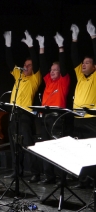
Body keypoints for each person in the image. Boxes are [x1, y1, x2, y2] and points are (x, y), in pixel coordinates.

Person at [3, 30, 42, 181]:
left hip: (25, 115)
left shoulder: (35, 78)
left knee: (27, 145)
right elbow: (9, 62)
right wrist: (7, 45)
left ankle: (35, 173)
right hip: (13, 115)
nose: (26, 67)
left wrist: (31, 46)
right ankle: (16, 171)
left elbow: (37, 63)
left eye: (29, 65)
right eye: (25, 65)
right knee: (14, 146)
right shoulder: (19, 75)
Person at [35, 33, 70, 184]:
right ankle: (49, 176)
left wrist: (61, 47)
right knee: (46, 148)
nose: (52, 71)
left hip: (57, 118)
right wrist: (41, 47)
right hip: (45, 117)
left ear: (60, 71)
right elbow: (43, 66)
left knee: (58, 148)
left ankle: (61, 178)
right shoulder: (49, 81)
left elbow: (62, 62)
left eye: (55, 69)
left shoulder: (63, 81)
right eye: (52, 69)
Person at [70, 20, 96, 188]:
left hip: (91, 119)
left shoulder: (95, 76)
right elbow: (73, 59)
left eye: (87, 63)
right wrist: (74, 39)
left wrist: (93, 36)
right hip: (77, 119)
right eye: (83, 63)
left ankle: (93, 180)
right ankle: (83, 180)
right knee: (80, 152)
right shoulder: (80, 77)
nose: (83, 65)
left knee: (92, 151)